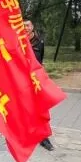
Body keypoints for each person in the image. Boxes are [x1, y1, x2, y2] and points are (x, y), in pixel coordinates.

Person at [25, 20, 54, 152]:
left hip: (35, 79)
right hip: (21, 79)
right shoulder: (17, 41)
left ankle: (43, 137)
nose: (25, 28)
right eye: (23, 25)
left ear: (32, 27)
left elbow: (39, 60)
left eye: (27, 25)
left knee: (40, 107)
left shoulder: (39, 42)